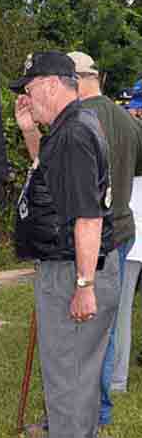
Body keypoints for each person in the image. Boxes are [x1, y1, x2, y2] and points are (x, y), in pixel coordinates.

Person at [12, 51, 120, 438]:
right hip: (73, 266)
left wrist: (84, 286)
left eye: (29, 88)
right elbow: (56, 175)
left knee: (68, 383)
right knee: (77, 381)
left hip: (73, 269)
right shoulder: (71, 126)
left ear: (52, 84)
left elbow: (88, 216)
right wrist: (28, 130)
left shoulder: (73, 132)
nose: (25, 96)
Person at [68, 52, 142, 426]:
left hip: (98, 233)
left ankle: (95, 411)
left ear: (78, 79)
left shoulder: (81, 118)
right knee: (108, 321)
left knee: (89, 324)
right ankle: (99, 407)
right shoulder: (127, 122)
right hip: (124, 228)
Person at [111, 81, 142, 392]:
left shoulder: (131, 134)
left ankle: (117, 378)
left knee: (120, 310)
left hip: (132, 237)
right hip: (133, 236)